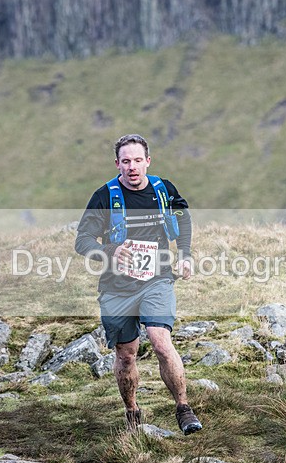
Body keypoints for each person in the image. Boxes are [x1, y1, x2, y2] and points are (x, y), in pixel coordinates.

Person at [75, 134, 202, 435]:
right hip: (116, 288)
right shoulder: (104, 197)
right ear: (117, 164)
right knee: (126, 354)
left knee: (160, 340)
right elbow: (82, 241)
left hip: (157, 279)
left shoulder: (163, 190)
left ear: (148, 161)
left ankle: (183, 408)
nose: (132, 167)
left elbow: (183, 219)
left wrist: (184, 254)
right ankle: (132, 410)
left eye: (137, 160)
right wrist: (110, 251)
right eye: (126, 161)